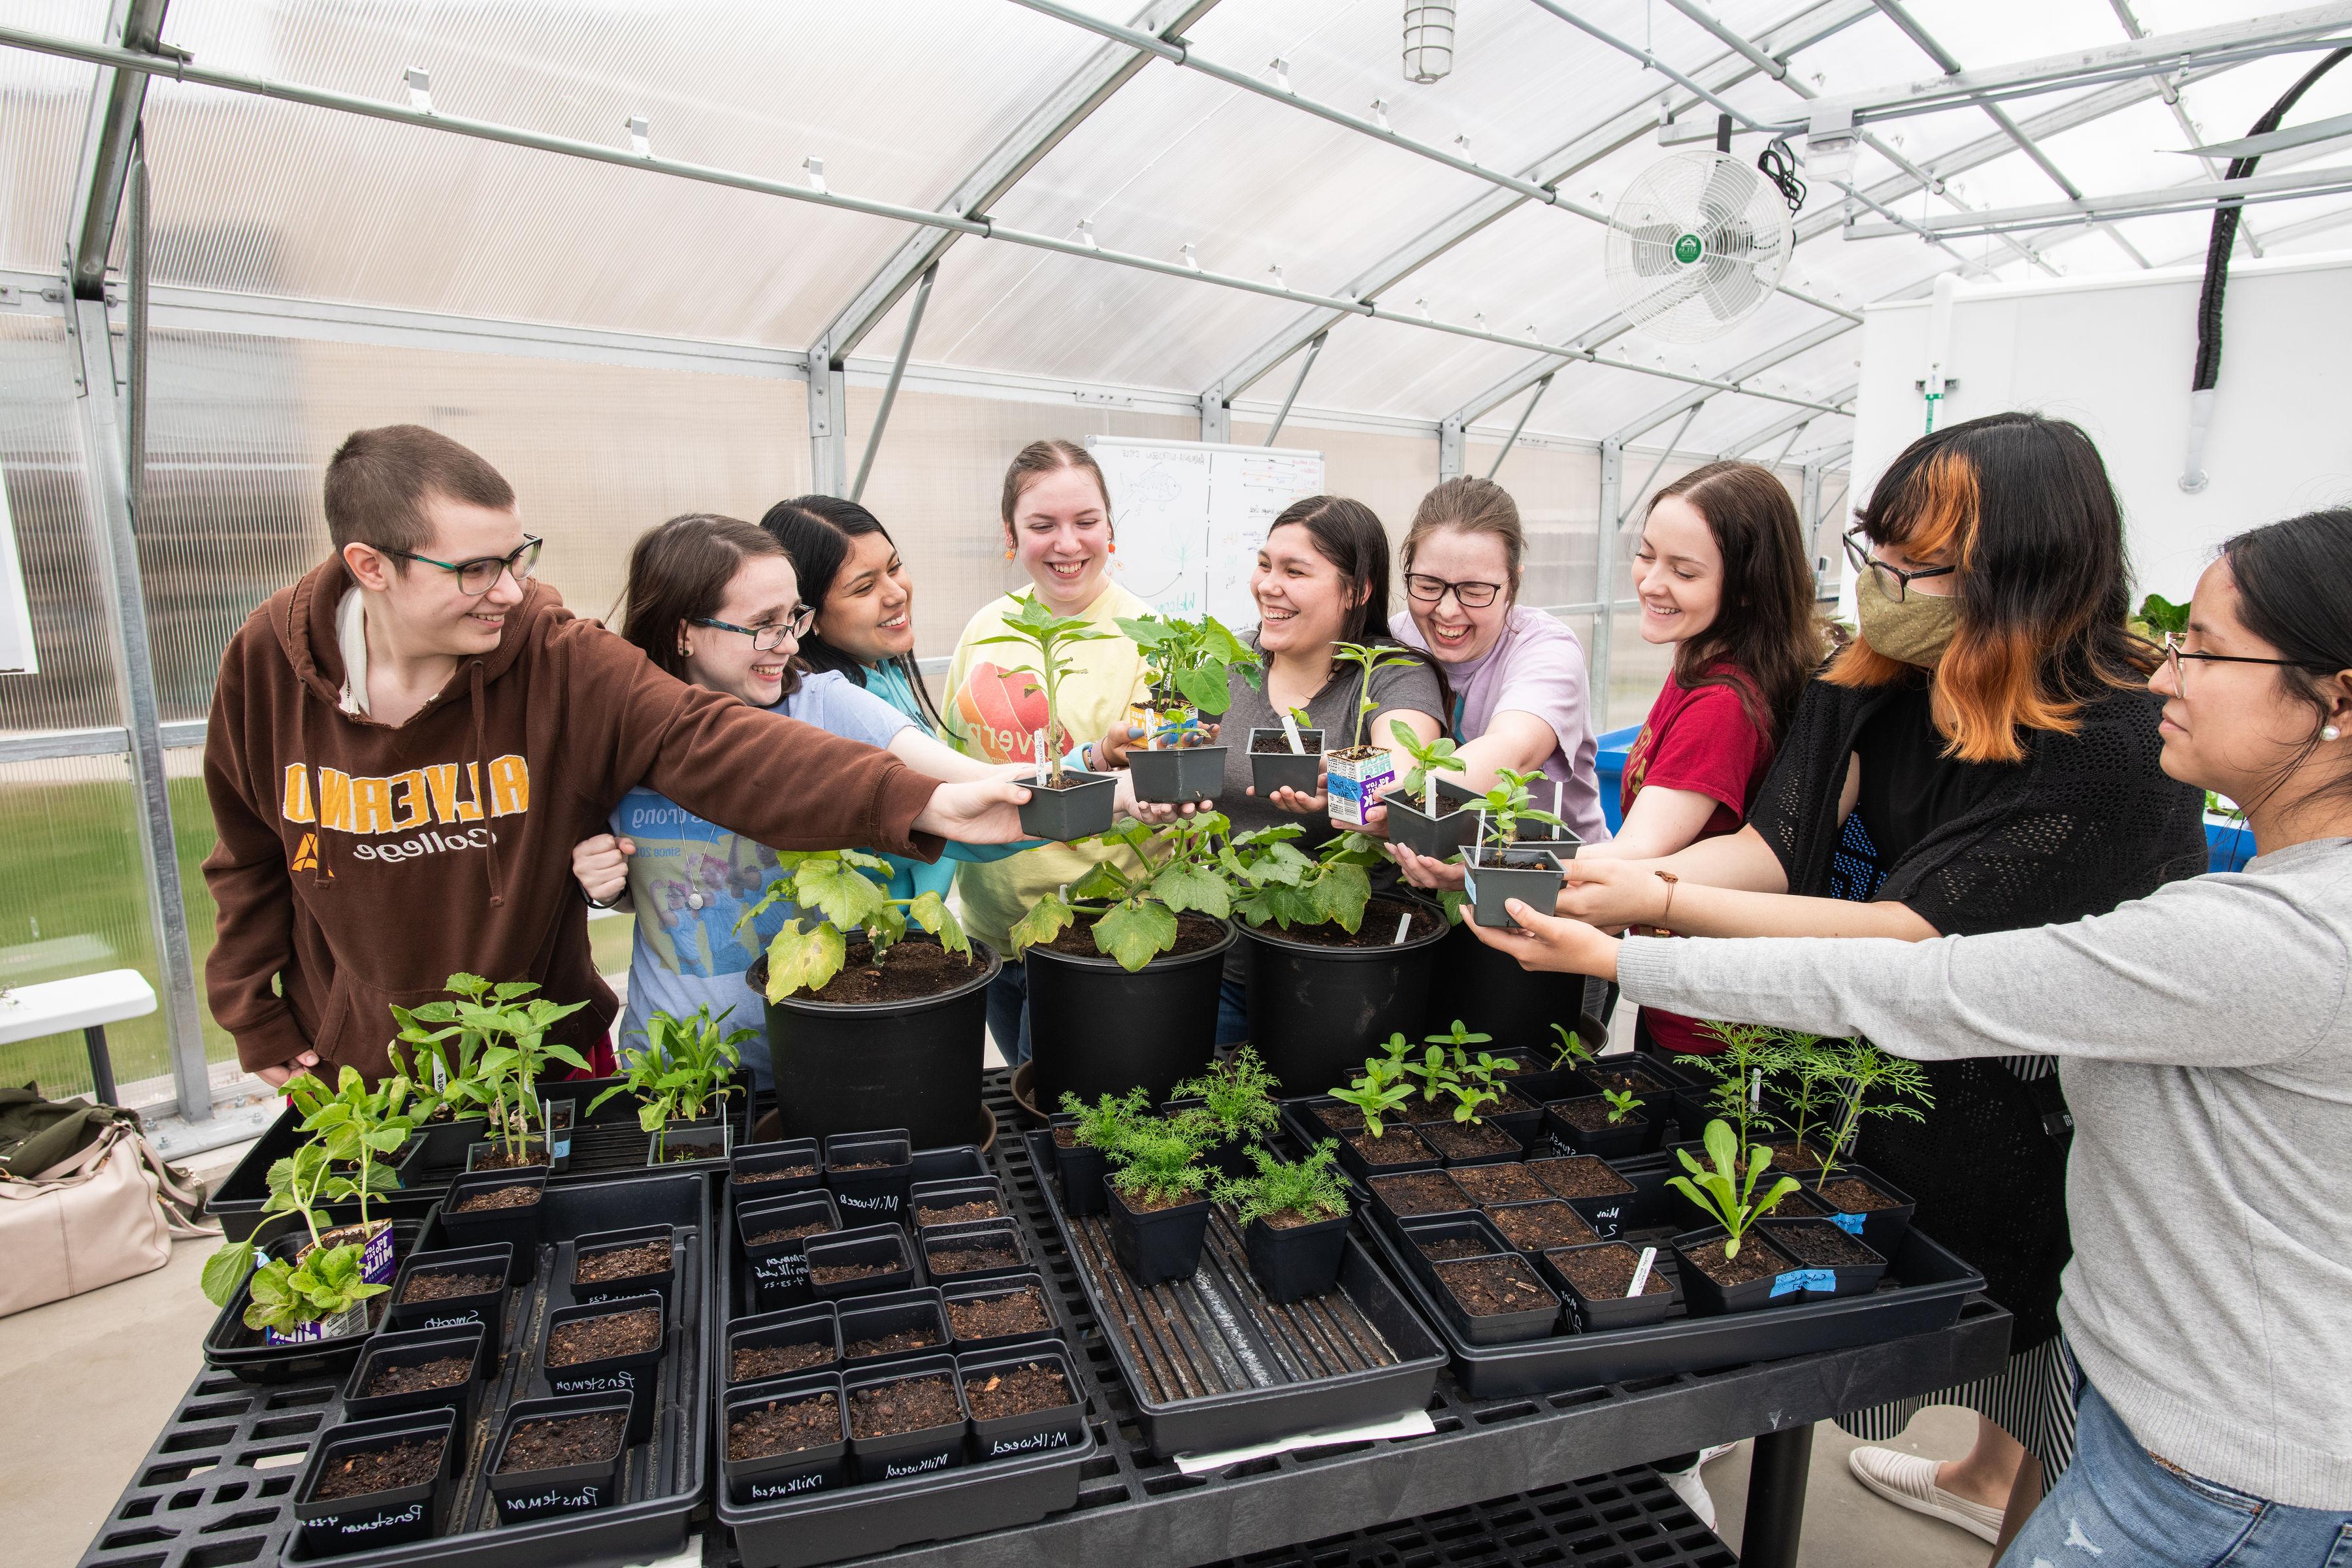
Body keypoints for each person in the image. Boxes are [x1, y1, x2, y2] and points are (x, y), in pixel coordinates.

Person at [1460, 508, 2352, 1566]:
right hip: (2195, 1428)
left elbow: (1921, 981)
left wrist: (1621, 955)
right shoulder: (2289, 897)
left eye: (2203, 647)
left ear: (2337, 699)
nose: (2165, 675)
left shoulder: (2280, 939)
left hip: (2231, 1484)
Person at [201, 425, 1027, 1086]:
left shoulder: (555, 659)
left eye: (518, 556)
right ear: (370, 567)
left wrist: (910, 800)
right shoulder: (267, 666)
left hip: (535, 1055)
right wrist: (249, 1008)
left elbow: (705, 737)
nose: (512, 590)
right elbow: (248, 852)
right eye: (478, 569)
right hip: (352, 1057)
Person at [566, 514, 1129, 1090]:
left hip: (818, 1048)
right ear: (684, 630)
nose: (788, 644)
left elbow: (968, 783)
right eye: (764, 625)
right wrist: (601, 882)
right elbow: (655, 895)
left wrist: (1103, 771)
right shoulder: (620, 731)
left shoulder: (823, 706)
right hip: (675, 1063)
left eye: (794, 618)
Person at [1396, 460, 1822, 1060]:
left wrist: (1469, 862)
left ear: (1748, 584)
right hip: (1680, 974)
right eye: (1647, 555)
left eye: (1685, 570)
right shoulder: (1698, 668)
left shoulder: (1723, 705)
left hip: (1712, 1008)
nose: (1650, 582)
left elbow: (1637, 851)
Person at [1100, 495, 1446, 1043]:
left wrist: (1345, 778)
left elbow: (1404, 765)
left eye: (1295, 571)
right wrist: (1134, 750)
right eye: (1264, 565)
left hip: (1342, 970)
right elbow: (1170, 739)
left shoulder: (1390, 673)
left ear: (1356, 590)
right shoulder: (1229, 664)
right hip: (1220, 960)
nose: (1268, 585)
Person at [941, 440, 1153, 1065]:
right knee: (1022, 1087)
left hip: (1094, 932)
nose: (1067, 544)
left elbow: (1156, 788)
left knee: (1062, 1109)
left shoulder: (1149, 638)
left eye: (1086, 522)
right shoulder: (985, 629)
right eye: (1042, 525)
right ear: (1010, 534)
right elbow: (954, 760)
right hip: (988, 926)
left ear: (1110, 528)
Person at [1385, 476, 1609, 845]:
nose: (1447, 610)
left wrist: (1398, 806)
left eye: (1475, 591)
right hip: (1437, 868)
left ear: (1513, 584)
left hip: (1554, 875)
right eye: (1427, 586)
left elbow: (1512, 752)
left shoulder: (1547, 649)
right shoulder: (1397, 640)